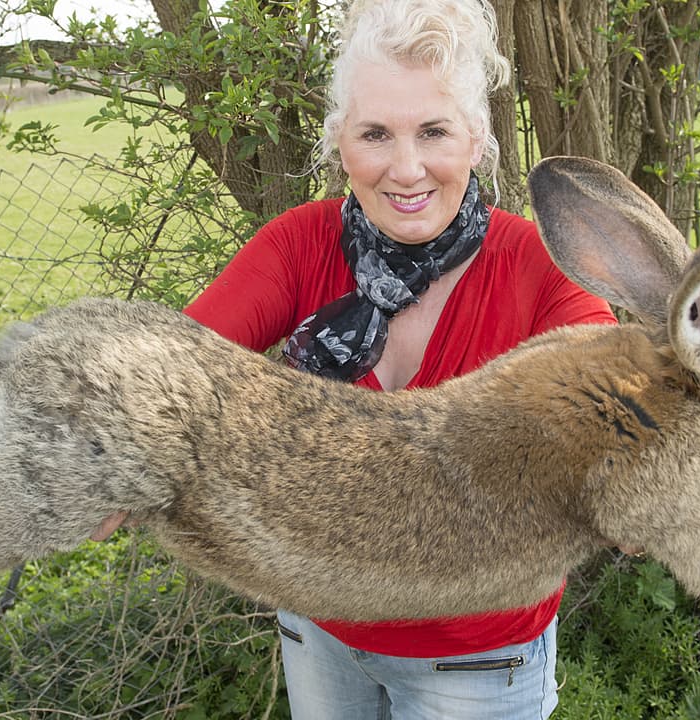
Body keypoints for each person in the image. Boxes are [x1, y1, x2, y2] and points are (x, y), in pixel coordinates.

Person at [178, 1, 618, 716]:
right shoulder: (299, 246)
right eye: (376, 133)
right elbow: (169, 373)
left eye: (434, 131)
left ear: (476, 139)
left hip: (478, 658)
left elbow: (617, 415)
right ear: (340, 143)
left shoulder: (540, 271)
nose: (406, 169)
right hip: (318, 626)